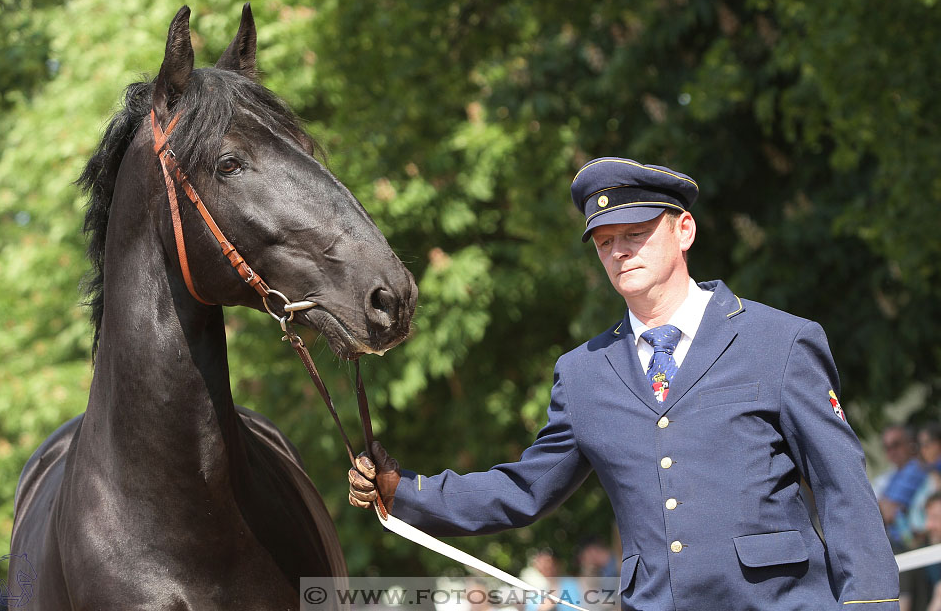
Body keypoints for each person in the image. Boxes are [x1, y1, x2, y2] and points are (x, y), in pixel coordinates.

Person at [348, 157, 900, 609]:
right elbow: (525, 489)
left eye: (635, 233)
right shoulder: (583, 373)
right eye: (604, 241)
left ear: (684, 230)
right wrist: (407, 492)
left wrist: (870, 604)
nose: (618, 251)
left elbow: (841, 487)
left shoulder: (779, 341)